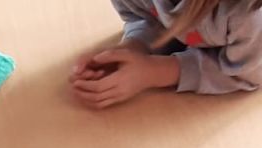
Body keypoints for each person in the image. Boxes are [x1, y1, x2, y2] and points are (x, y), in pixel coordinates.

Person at [71, 0, 262, 109]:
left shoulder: (249, 13)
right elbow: (148, 17)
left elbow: (250, 71)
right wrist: (135, 47)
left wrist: (155, 72)